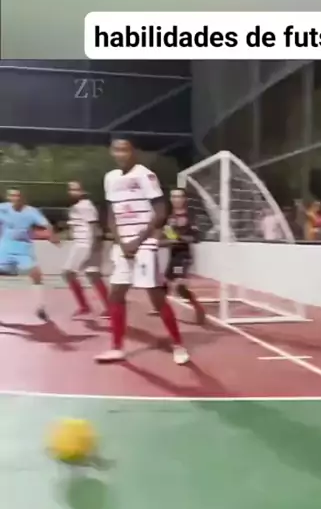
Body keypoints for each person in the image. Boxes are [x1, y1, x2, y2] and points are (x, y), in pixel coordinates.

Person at [95, 138, 189, 365]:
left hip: (144, 243)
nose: (121, 154)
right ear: (112, 152)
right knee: (116, 294)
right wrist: (120, 242)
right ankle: (117, 348)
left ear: (133, 151)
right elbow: (111, 214)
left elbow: (160, 212)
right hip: (123, 245)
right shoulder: (110, 178)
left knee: (155, 297)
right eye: (117, 150)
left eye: (125, 149)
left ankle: (178, 345)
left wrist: (137, 241)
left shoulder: (145, 175)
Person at [0, 187, 59, 320]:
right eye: (12, 196)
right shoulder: (3, 208)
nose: (15, 198)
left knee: (36, 274)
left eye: (18, 196)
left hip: (23, 248)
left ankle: (40, 307)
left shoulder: (31, 211)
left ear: (23, 198)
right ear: (8, 198)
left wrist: (52, 235)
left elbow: (46, 224)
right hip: (5, 248)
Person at [63, 180, 109, 316]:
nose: (72, 192)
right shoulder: (76, 207)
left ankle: (85, 306)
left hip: (85, 244)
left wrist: (94, 246)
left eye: (76, 189)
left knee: (68, 273)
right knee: (92, 275)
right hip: (81, 243)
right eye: (70, 189)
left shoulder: (85, 206)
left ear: (83, 191)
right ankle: (107, 306)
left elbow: (94, 227)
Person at [163, 188, 205, 324]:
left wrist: (179, 239)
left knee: (179, 287)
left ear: (184, 199)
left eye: (179, 196)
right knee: (164, 283)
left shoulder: (190, 217)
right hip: (173, 255)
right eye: (173, 196)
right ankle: (160, 306)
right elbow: (166, 236)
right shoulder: (169, 217)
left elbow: (197, 238)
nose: (176, 199)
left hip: (183, 256)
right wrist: (163, 241)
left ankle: (198, 309)